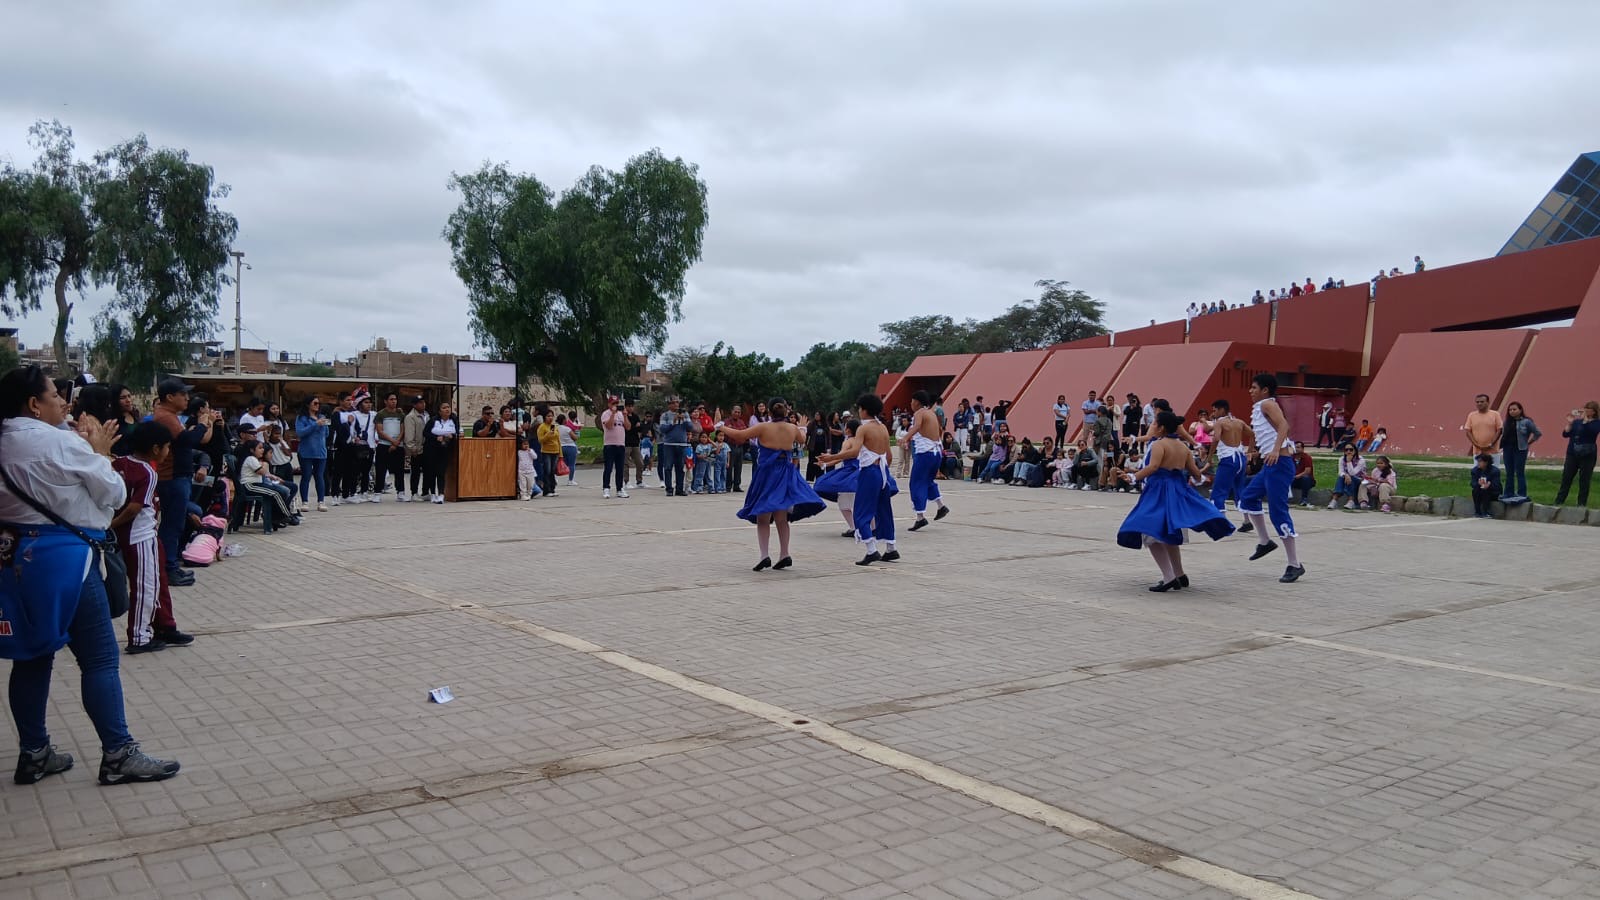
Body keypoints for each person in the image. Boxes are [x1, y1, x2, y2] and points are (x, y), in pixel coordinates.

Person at [0, 366, 181, 785]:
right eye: (54, 396)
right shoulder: (58, 442)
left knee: (32, 657)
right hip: (66, 558)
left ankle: (34, 751)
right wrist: (98, 453)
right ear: (33, 404)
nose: (63, 403)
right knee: (99, 658)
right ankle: (118, 753)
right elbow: (115, 492)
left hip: (14, 558)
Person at [1117, 410, 1235, 591]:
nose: (1153, 427)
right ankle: (1179, 574)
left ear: (1162, 427)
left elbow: (1154, 466)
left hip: (1158, 491)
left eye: (1155, 424)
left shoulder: (1159, 444)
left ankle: (1169, 577)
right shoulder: (1183, 447)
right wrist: (1202, 476)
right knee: (1169, 533)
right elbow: (1196, 474)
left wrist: (1134, 478)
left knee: (1150, 533)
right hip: (1177, 491)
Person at [110, 422, 193, 654]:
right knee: (146, 586)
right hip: (140, 536)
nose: (169, 452)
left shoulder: (120, 463)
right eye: (167, 447)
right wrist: (112, 526)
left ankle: (165, 625)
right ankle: (139, 636)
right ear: (156, 449)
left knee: (158, 581)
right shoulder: (148, 471)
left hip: (140, 536)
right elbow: (135, 508)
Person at [720, 399, 826, 571]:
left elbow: (740, 435)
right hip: (785, 472)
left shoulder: (764, 427)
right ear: (785, 412)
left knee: (763, 516)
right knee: (781, 516)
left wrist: (721, 426)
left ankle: (764, 555)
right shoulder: (791, 428)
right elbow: (802, 439)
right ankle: (784, 553)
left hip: (767, 473)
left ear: (769, 412)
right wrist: (802, 427)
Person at [1237, 374, 1306, 583]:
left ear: (1265, 390)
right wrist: (1256, 451)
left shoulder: (1267, 404)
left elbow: (1284, 426)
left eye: (1254, 387)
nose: (1250, 391)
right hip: (1269, 465)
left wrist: (1276, 450)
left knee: (1278, 512)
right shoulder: (1260, 407)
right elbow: (1265, 433)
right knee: (1247, 499)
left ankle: (1294, 564)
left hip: (1279, 465)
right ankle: (1265, 541)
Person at [835, 394, 899, 565]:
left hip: (869, 472)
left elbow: (855, 452)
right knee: (884, 510)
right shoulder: (883, 428)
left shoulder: (863, 429)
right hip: (883, 470)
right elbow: (890, 456)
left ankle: (871, 550)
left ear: (864, 410)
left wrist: (832, 457)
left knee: (861, 512)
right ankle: (891, 548)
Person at [904, 391, 950, 531]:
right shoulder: (932, 413)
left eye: (912, 401)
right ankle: (941, 506)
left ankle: (920, 517)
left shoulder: (920, 413)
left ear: (917, 402)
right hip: (936, 453)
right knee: (928, 481)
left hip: (926, 454)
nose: (911, 404)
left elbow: (917, 426)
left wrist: (905, 437)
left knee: (916, 483)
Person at [1207, 399, 1251, 529]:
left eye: (1214, 410)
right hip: (1240, 457)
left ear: (1222, 410)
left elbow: (1216, 438)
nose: (1213, 413)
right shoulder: (1239, 422)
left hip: (1228, 459)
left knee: (1219, 491)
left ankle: (1222, 522)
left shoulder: (1220, 423)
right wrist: (1249, 451)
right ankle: (1247, 520)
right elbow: (1253, 434)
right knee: (1239, 489)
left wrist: (1210, 456)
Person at [238, 439, 299, 530]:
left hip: (256, 484)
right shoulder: (251, 459)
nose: (262, 450)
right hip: (250, 486)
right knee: (275, 494)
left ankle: (278, 517)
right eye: (259, 448)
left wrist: (271, 475)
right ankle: (286, 515)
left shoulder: (254, 460)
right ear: (252, 450)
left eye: (262, 448)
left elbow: (265, 473)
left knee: (278, 492)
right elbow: (262, 471)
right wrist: (266, 468)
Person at [1552, 401, 1600, 507]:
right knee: (1566, 477)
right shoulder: (1577, 422)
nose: (1586, 411)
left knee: (1584, 479)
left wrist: (1586, 421)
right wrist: (1570, 423)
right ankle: (1559, 501)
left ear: (1594, 412)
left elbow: (1591, 432)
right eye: (1585, 408)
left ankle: (1581, 503)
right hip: (1572, 453)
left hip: (1588, 454)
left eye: (1588, 409)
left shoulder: (1597, 423)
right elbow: (1565, 434)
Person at [1498, 401, 1542, 503]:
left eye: (1514, 409)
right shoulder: (1507, 422)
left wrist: (1529, 442)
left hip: (1520, 449)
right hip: (1508, 448)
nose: (1512, 412)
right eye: (1510, 410)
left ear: (1520, 410)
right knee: (1509, 472)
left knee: (1519, 472)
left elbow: (1537, 433)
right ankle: (1508, 493)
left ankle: (1522, 494)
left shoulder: (1526, 422)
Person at [294, 397, 331, 512]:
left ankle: (321, 501)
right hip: (306, 451)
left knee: (319, 476)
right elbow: (300, 432)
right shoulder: (301, 418)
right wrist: (315, 424)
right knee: (306, 476)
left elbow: (326, 434)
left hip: (321, 451)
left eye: (319, 403)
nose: (317, 405)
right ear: (307, 404)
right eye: (315, 403)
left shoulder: (321, 417)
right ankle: (305, 501)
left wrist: (324, 425)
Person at [422, 402, 459, 504]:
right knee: (432, 472)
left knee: (441, 472)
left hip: (445, 450)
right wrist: (436, 438)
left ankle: (441, 494)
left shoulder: (454, 420)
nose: (447, 409)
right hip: (432, 449)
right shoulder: (434, 420)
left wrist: (453, 436)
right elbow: (425, 433)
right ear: (439, 411)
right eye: (444, 408)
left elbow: (457, 432)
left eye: (448, 407)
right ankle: (433, 493)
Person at [373, 393, 408, 502]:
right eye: (391, 399)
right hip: (384, 445)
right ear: (385, 401)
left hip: (398, 445)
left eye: (395, 399)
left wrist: (396, 442)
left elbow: (403, 430)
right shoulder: (380, 414)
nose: (394, 401)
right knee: (381, 470)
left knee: (399, 471)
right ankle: (377, 493)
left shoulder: (400, 414)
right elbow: (379, 430)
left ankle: (401, 492)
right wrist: (392, 441)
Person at [656, 397, 693, 497]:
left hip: (682, 444)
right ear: (669, 405)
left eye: (677, 402)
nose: (676, 404)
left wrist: (684, 420)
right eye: (674, 403)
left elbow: (690, 427)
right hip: (669, 445)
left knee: (680, 467)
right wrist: (673, 422)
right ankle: (669, 489)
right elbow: (662, 429)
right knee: (668, 467)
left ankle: (679, 489)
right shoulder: (665, 415)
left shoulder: (685, 414)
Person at [599, 396, 629, 499]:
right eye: (613, 404)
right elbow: (609, 426)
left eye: (616, 403)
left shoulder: (621, 414)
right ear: (609, 404)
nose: (615, 405)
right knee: (608, 468)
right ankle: (606, 488)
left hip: (620, 444)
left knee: (620, 468)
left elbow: (628, 427)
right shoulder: (605, 414)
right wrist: (612, 414)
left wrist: (625, 416)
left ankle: (619, 489)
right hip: (609, 445)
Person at [403, 395, 429, 502]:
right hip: (417, 448)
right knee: (416, 472)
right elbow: (409, 434)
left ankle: (425, 492)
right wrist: (412, 448)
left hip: (427, 448)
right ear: (414, 405)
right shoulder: (411, 417)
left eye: (423, 402)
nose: (422, 404)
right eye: (419, 403)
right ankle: (414, 492)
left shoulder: (426, 415)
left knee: (427, 471)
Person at [1462, 393, 1503, 460]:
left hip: (1493, 451)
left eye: (1482, 402)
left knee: (1493, 470)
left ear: (1488, 402)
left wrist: (1491, 444)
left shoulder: (1495, 414)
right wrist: (1477, 445)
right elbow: (1468, 431)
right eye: (1477, 402)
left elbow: (1499, 430)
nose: (1479, 404)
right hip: (1478, 451)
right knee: (1478, 470)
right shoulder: (1471, 415)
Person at [1329, 446, 1366, 510]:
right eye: (1346, 450)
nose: (1348, 451)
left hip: (1359, 480)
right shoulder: (1342, 459)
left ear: (1355, 450)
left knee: (1350, 477)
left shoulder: (1361, 460)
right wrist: (1345, 475)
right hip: (1347, 479)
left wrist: (1349, 462)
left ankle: (1351, 501)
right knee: (1341, 477)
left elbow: (1353, 473)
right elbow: (1340, 472)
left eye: (1351, 450)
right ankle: (1334, 500)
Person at [624, 399, 649, 490]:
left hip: (635, 442)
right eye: (629, 406)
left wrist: (635, 428)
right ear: (626, 407)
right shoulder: (624, 416)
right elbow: (627, 428)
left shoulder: (636, 416)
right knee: (625, 463)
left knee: (640, 462)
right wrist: (634, 427)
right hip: (626, 442)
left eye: (632, 406)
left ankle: (639, 481)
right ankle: (626, 481)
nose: (630, 408)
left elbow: (640, 428)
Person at [535, 409, 561, 497]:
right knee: (547, 470)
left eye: (551, 416)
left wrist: (560, 453)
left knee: (552, 471)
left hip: (555, 450)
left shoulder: (554, 426)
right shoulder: (542, 427)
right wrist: (548, 435)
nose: (550, 418)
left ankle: (552, 488)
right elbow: (540, 440)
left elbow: (558, 440)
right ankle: (546, 490)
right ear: (544, 417)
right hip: (546, 451)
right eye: (548, 416)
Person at [1470, 453, 1502, 518]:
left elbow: (1497, 485)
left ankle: (1486, 512)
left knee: (1485, 491)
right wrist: (1478, 484)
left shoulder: (1495, 471)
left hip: (1493, 492)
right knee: (1475, 491)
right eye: (1478, 461)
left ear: (1486, 462)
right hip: (1480, 491)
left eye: (1480, 461)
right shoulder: (1475, 471)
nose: (1478, 463)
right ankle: (1477, 512)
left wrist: (1489, 486)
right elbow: (1472, 483)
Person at [557, 414, 580, 488]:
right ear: (563, 420)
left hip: (561, 447)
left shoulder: (556, 428)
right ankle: (570, 480)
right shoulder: (567, 429)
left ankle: (555, 479)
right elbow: (575, 438)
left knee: (561, 463)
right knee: (571, 464)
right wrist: (577, 433)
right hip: (570, 446)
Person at [516, 436, 541, 500]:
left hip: (530, 471)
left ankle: (529, 494)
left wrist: (530, 451)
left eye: (527, 444)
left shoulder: (530, 451)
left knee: (530, 484)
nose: (526, 445)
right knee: (523, 484)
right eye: (524, 444)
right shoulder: (519, 452)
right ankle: (523, 495)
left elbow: (535, 457)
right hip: (522, 471)